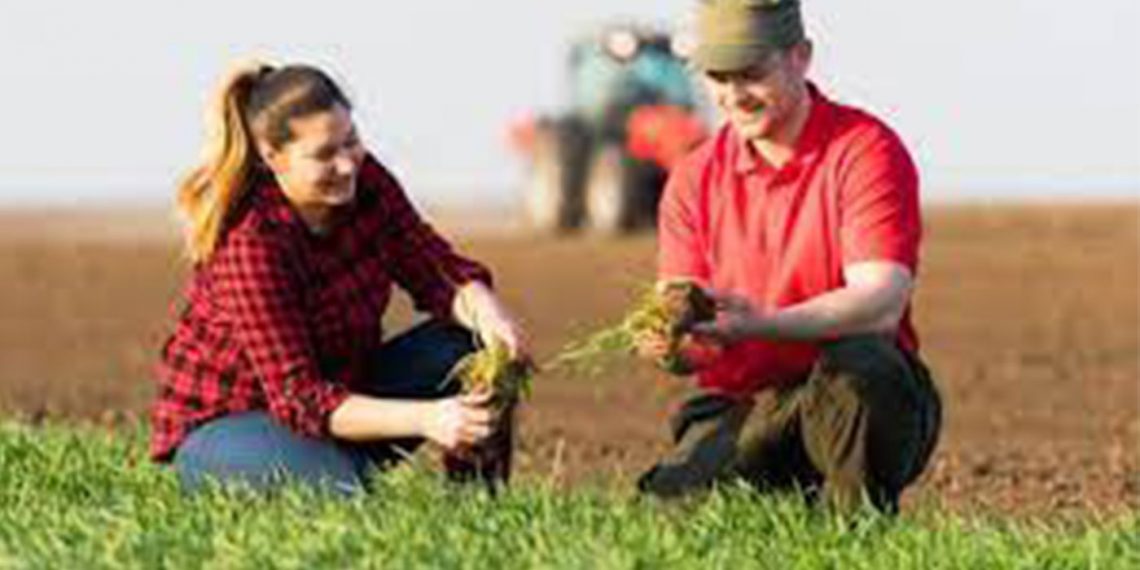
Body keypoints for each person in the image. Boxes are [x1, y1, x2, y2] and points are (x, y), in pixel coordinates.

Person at [150, 61, 530, 495]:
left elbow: (433, 267)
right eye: (324, 155)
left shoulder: (366, 181)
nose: (347, 164)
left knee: (475, 346)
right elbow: (300, 398)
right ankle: (332, 474)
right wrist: (430, 417)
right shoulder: (251, 244)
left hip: (338, 396)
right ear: (272, 157)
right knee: (345, 494)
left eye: (351, 141)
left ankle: (476, 506)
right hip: (230, 425)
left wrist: (489, 314)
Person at [634, 0, 942, 513]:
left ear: (800, 57)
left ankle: (853, 532)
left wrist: (761, 324)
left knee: (863, 368)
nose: (734, 95)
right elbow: (693, 334)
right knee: (670, 514)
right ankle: (778, 498)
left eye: (752, 72)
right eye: (719, 76)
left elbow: (881, 301)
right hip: (743, 405)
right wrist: (670, 344)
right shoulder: (692, 178)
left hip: (848, 398)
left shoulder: (865, 150)